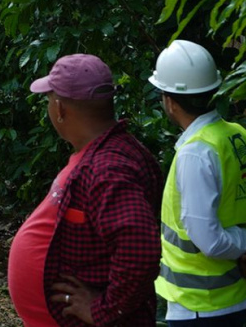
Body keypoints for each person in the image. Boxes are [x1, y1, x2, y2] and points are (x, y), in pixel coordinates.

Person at [11, 54, 162, 326]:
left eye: (48, 100)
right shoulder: (104, 153)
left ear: (59, 108)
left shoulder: (108, 170)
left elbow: (140, 251)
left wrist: (102, 309)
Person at [150, 40, 246, 327]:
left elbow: (209, 241)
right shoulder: (238, 136)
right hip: (237, 297)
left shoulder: (195, 154)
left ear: (169, 101)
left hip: (200, 307)